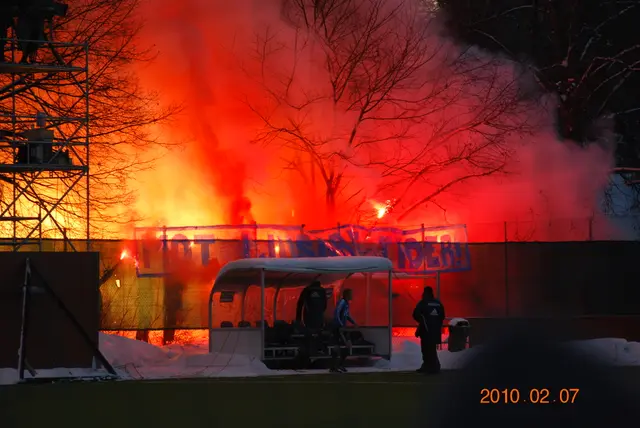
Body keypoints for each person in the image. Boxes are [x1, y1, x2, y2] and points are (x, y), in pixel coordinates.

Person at [413, 286, 445, 374]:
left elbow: (416, 314)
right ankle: (433, 366)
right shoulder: (438, 304)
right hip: (435, 330)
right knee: (432, 348)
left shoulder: (423, 303)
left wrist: (423, 321)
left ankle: (430, 367)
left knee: (426, 349)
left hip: (426, 330)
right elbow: (442, 316)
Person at [330, 288, 357, 373]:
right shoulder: (342, 302)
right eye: (351, 294)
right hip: (338, 328)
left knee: (346, 345)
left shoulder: (346, 304)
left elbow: (346, 315)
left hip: (342, 328)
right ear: (347, 295)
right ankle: (334, 366)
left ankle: (339, 365)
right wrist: (340, 324)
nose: (352, 296)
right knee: (338, 346)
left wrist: (354, 322)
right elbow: (337, 313)